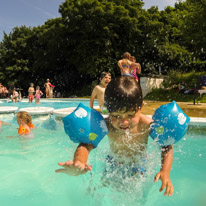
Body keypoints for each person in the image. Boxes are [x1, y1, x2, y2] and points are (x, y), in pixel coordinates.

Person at [56, 76, 174, 197]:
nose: (124, 122)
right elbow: (86, 145)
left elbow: (166, 146)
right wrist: (79, 162)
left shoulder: (146, 125)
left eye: (130, 115)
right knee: (95, 193)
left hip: (138, 167)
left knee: (135, 197)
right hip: (113, 164)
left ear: (141, 106)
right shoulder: (106, 125)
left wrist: (165, 171)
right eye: (116, 116)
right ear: (107, 109)